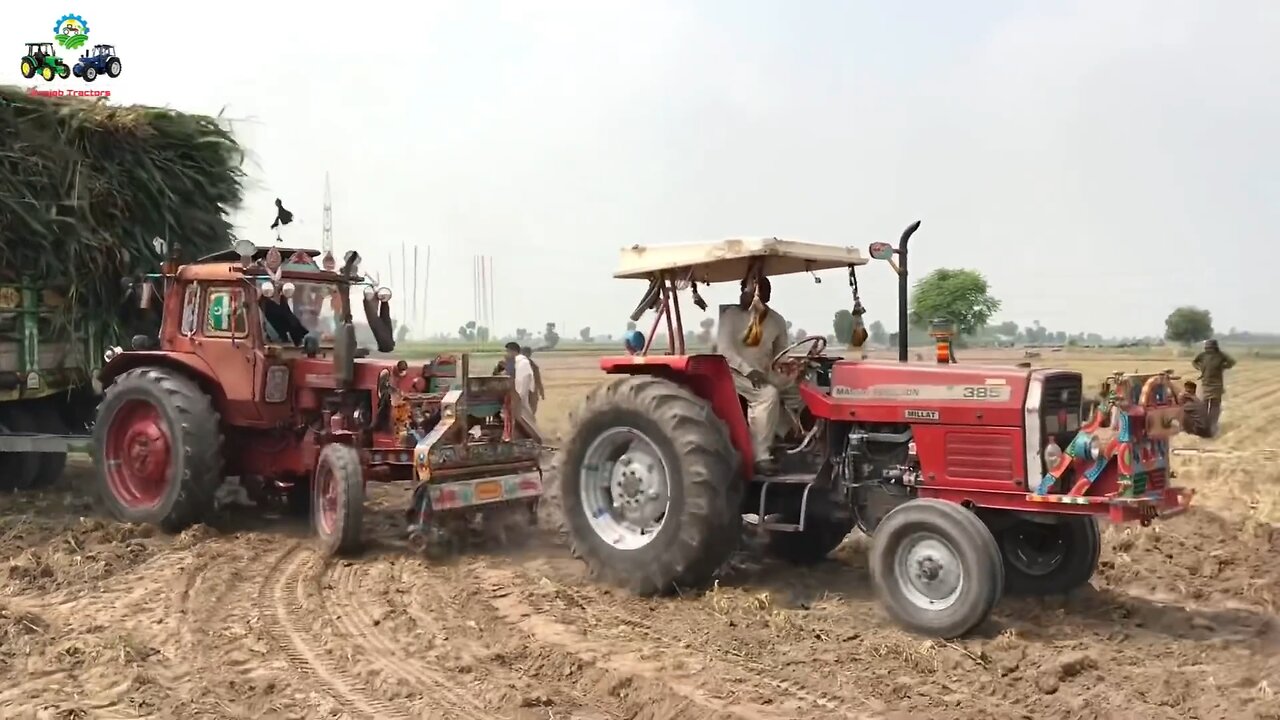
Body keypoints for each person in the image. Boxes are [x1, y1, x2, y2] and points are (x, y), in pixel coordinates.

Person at [716, 275, 798, 476]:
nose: (752, 295)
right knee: (767, 395)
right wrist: (747, 370)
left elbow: (781, 353)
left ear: (767, 295)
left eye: (759, 291)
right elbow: (725, 351)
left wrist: (791, 368)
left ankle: (792, 434)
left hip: (763, 371)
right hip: (734, 373)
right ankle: (761, 455)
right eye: (748, 290)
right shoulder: (731, 317)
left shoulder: (776, 320)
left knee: (800, 388)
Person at [1192, 338, 1235, 436]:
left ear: (1215, 347)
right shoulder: (1203, 355)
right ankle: (1204, 424)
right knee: (1204, 404)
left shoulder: (1220, 355)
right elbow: (1194, 362)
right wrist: (1199, 368)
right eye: (1207, 347)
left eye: (1210, 347)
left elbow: (1232, 362)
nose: (1208, 349)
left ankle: (1213, 424)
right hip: (1205, 383)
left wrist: (1223, 367)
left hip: (1216, 384)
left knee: (1215, 405)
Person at [504, 341, 540, 434]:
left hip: (525, 393)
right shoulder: (512, 362)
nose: (507, 353)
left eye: (508, 351)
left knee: (525, 413)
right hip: (519, 392)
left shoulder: (523, 363)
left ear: (513, 351)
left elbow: (527, 378)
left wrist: (520, 395)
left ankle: (534, 434)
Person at [520, 346, 546, 415]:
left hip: (531, 393)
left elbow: (538, 379)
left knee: (532, 411)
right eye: (524, 354)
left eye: (527, 354)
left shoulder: (534, 366)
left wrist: (541, 391)